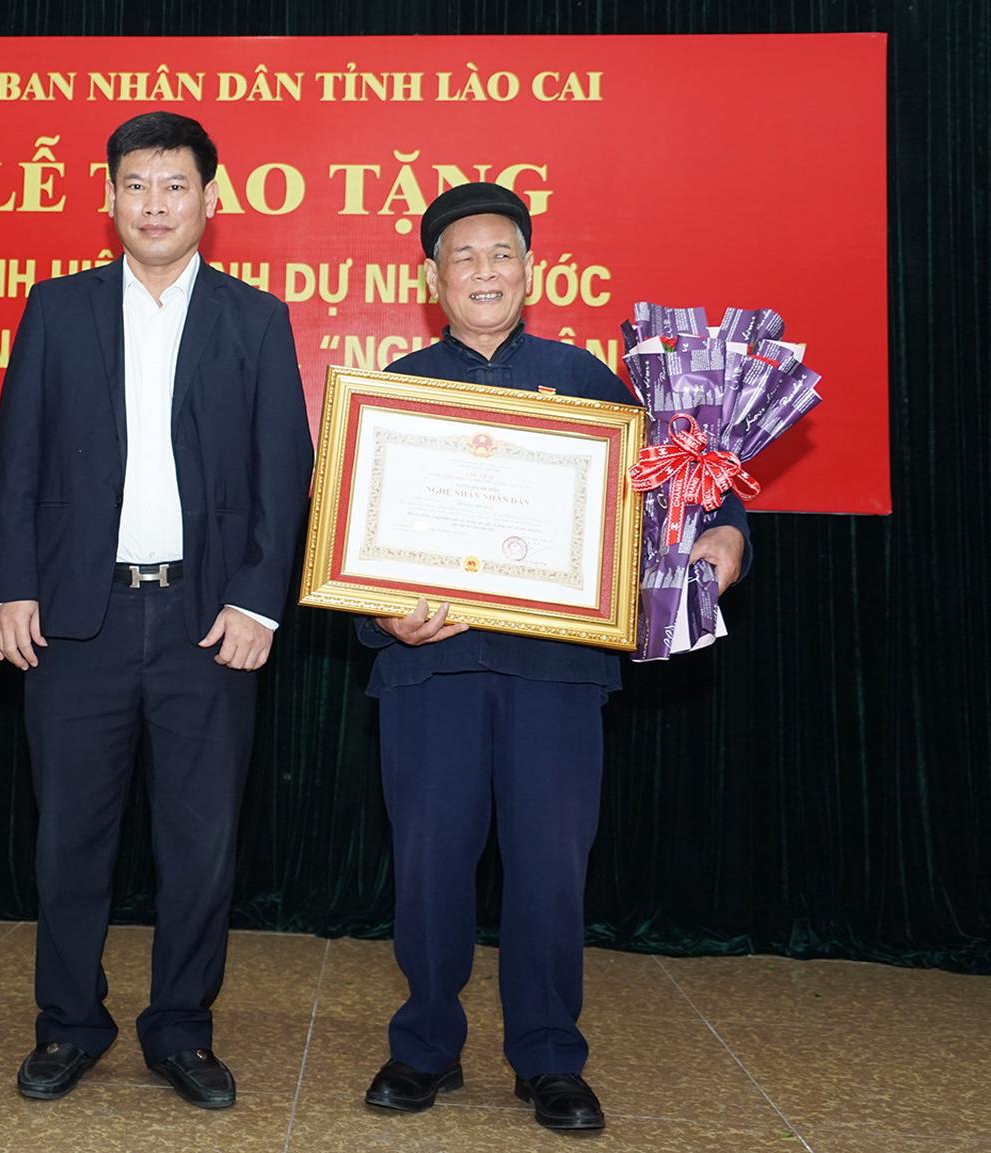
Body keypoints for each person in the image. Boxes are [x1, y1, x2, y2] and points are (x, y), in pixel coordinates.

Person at [358, 183, 750, 1132]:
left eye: (502, 253)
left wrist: (727, 530)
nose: (484, 271)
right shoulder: (393, 391)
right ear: (432, 279)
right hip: (430, 671)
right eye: (463, 256)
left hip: (558, 675)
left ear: (530, 270)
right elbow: (348, 544)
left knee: (548, 870)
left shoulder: (593, 384)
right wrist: (381, 618)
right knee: (429, 867)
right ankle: (425, 1046)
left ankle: (548, 1057)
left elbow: (685, 479)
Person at [0, 111, 314, 1110]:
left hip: (205, 623)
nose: (155, 204)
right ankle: (68, 1023)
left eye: (175, 186)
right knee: (68, 840)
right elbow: (19, 457)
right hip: (75, 619)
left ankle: (181, 1029)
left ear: (209, 199)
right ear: (109, 198)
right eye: (136, 184)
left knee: (199, 845)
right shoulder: (57, 308)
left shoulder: (254, 318)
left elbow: (283, 473)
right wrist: (11, 583)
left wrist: (258, 599)